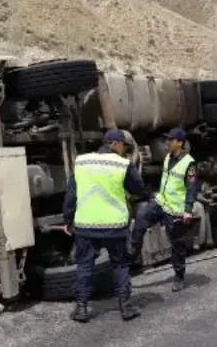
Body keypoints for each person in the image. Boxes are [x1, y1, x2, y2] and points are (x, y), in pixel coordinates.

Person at [62, 128, 146, 323]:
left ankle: (82, 309)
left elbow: (71, 196)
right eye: (124, 146)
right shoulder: (123, 164)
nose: (124, 151)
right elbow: (138, 188)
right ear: (115, 144)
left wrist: (68, 220)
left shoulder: (82, 162)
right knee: (120, 265)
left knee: (84, 265)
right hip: (114, 226)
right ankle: (125, 308)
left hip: (86, 225)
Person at [130, 128, 200, 293]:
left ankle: (179, 276)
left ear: (180, 143)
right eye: (167, 140)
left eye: (171, 140)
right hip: (161, 203)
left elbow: (191, 189)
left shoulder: (189, 163)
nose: (167, 143)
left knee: (177, 245)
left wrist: (188, 210)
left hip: (175, 209)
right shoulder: (168, 157)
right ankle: (132, 256)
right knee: (140, 221)